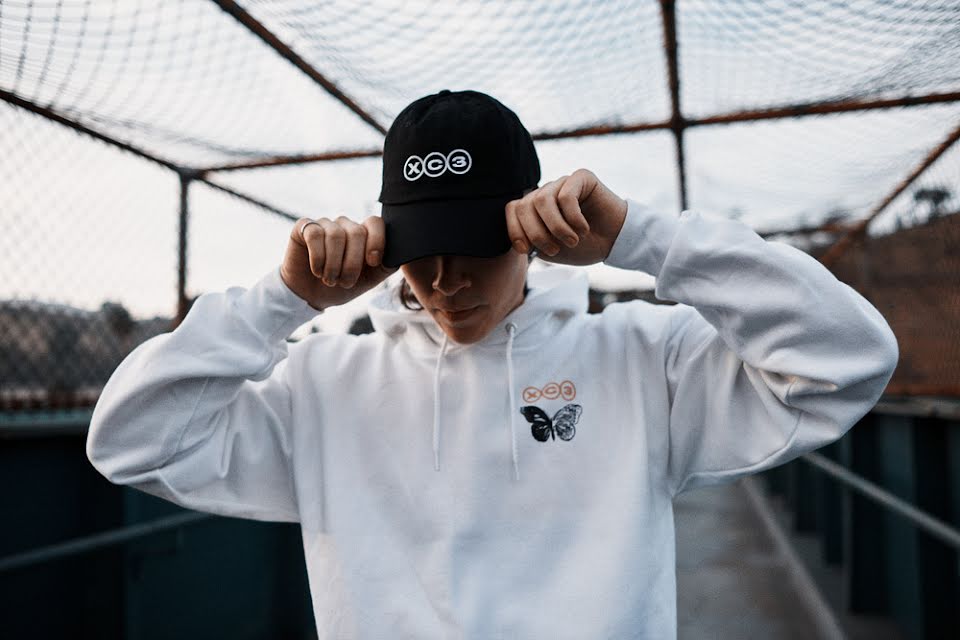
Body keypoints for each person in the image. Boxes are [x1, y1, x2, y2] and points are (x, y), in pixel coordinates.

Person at [86, 89, 899, 639]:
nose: (445, 280)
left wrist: (640, 238)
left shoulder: (643, 361)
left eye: (473, 246)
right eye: (420, 250)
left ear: (530, 233)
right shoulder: (323, 385)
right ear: (386, 242)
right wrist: (282, 299)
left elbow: (848, 358)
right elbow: (131, 442)